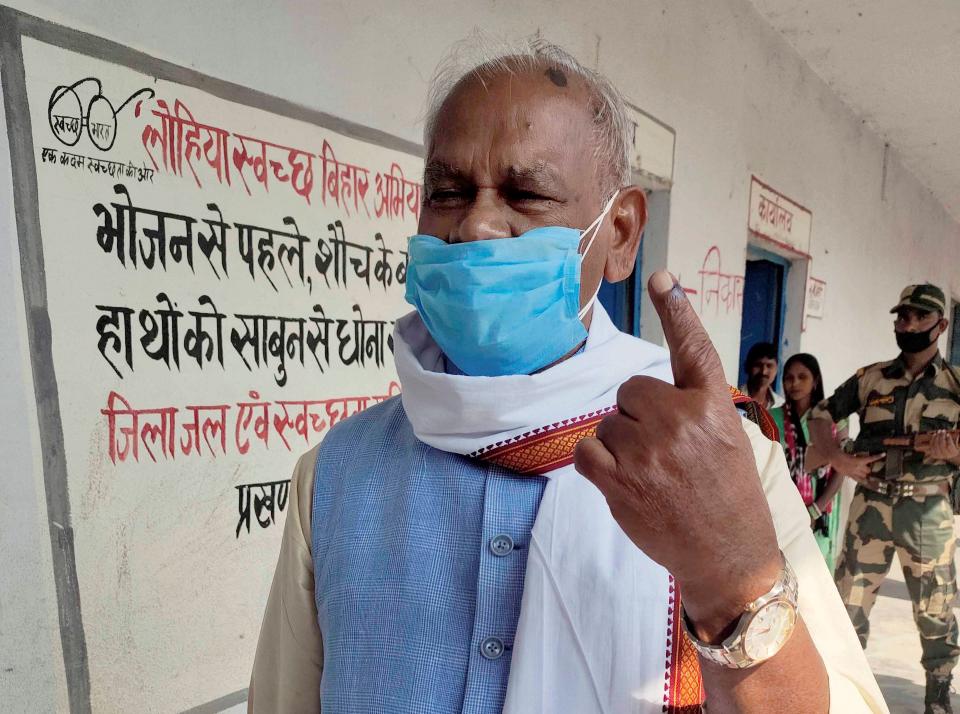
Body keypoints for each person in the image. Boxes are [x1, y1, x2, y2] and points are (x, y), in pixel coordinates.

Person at [248, 37, 886, 714]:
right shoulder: (336, 473)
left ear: (620, 235)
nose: (479, 225)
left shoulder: (721, 463)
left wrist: (729, 585)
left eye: (526, 194)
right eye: (447, 191)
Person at [808, 283, 960, 714]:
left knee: (935, 608)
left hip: (929, 510)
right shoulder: (871, 377)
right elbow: (822, 414)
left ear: (941, 325)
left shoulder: (954, 383)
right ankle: (842, 689)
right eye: (901, 316)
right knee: (848, 605)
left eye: (916, 317)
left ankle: (938, 693)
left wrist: (954, 452)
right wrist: (839, 458)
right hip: (870, 507)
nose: (906, 324)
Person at [770, 354, 845, 569]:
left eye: (802, 377)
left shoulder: (834, 417)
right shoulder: (771, 417)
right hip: (781, 512)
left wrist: (815, 510)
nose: (794, 383)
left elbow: (841, 468)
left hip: (819, 512)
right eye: (789, 378)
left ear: (816, 381)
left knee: (815, 574)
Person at [741, 342, 785, 410]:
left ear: (776, 370)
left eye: (769, 366)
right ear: (748, 367)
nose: (763, 372)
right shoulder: (732, 399)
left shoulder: (781, 405)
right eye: (758, 365)